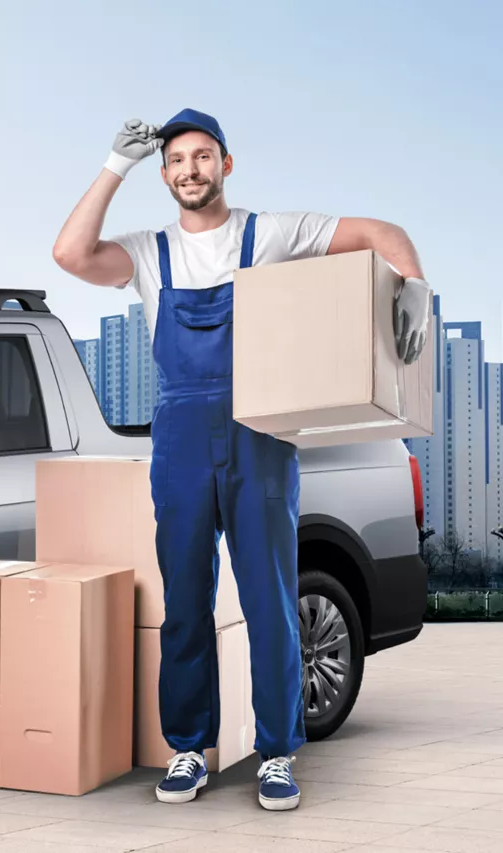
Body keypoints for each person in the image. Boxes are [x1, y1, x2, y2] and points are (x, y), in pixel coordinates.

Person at [50, 109, 431, 812]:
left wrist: (413, 285)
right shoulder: (148, 251)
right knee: (186, 604)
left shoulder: (270, 234)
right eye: (174, 161)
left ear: (227, 163)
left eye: (201, 156)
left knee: (270, 602)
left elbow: (382, 234)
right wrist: (114, 164)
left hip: (260, 430)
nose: (188, 170)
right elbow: (70, 254)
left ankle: (277, 751)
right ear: (164, 175)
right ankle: (189, 747)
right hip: (183, 435)